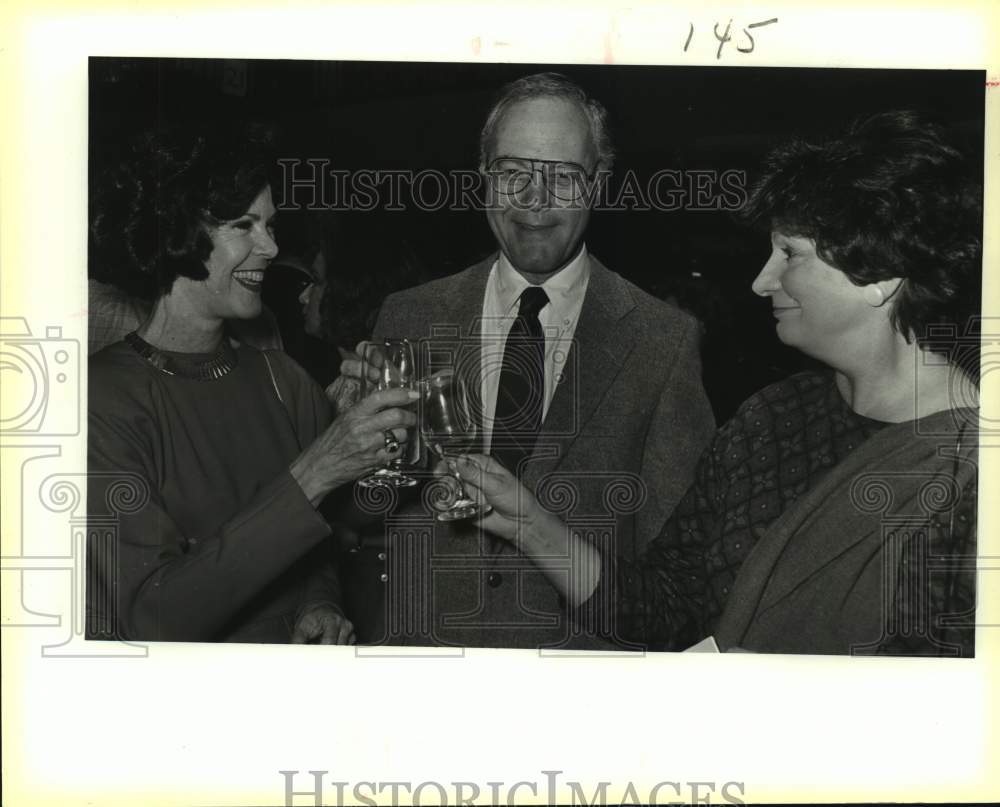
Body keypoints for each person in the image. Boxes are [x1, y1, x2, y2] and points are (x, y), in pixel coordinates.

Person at [453, 110, 980, 656]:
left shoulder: (971, 468)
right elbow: (668, 608)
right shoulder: (769, 418)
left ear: (881, 276)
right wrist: (531, 527)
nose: (762, 280)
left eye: (790, 254)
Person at [343, 72, 716, 648]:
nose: (534, 199)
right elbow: (362, 516)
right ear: (483, 180)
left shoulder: (662, 343)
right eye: (513, 171)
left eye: (563, 176)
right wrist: (351, 442)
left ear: (599, 185)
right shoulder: (409, 318)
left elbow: (679, 581)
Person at [86, 124, 418, 644]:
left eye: (270, 224)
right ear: (174, 234)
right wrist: (315, 470)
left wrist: (319, 603)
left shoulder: (283, 379)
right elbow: (153, 617)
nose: (271, 246)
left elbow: (324, 538)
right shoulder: (101, 399)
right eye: (244, 225)